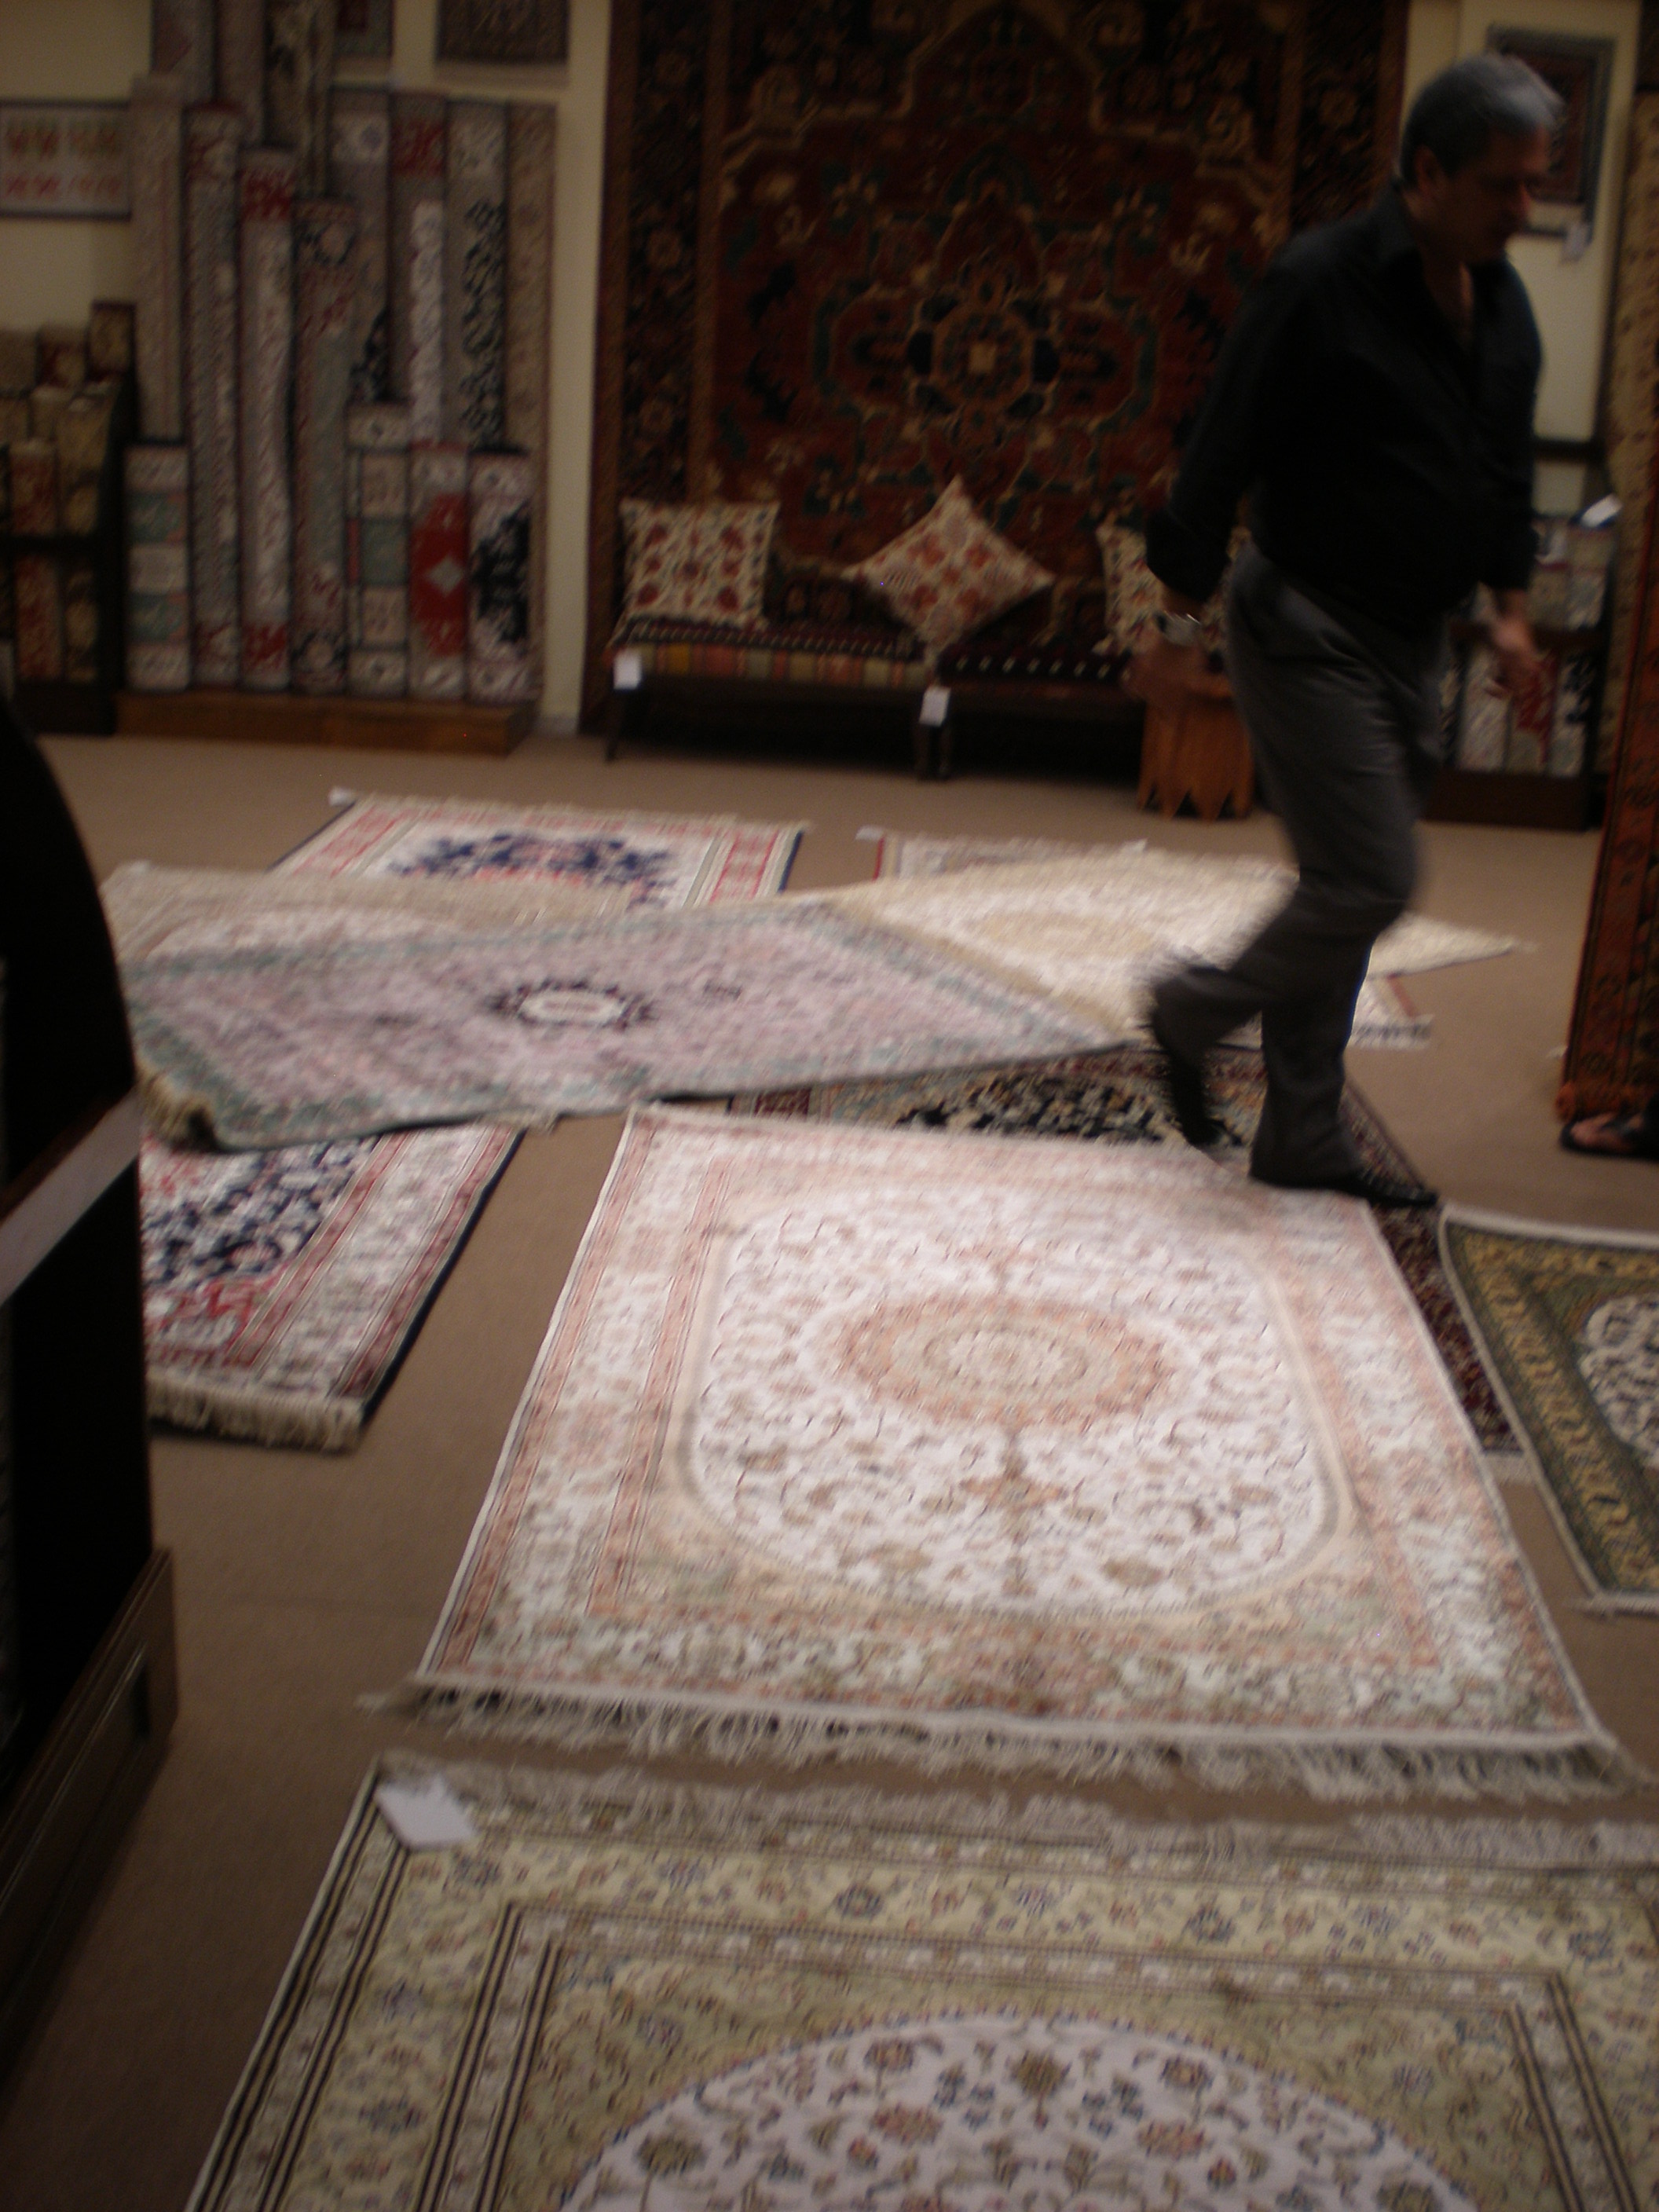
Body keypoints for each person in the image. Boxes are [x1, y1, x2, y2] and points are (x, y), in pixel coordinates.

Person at [1130, 53, 1560, 1207]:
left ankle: (1303, 1140)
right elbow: (1218, 449)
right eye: (1504, 184)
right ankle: (1192, 1009)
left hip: (1415, 638)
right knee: (1375, 877)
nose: (1525, 208)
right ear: (1428, 170)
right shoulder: (1319, 283)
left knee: (1338, 891)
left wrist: (1512, 613)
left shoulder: (1504, 305)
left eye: (1535, 182)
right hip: (1304, 622)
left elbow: (1505, 475)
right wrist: (1175, 625)